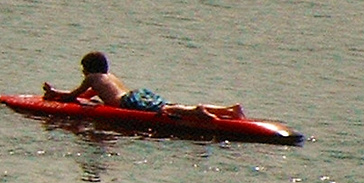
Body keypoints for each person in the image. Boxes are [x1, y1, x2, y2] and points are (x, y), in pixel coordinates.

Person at [42, 51, 243, 121]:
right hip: (137, 94)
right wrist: (57, 93)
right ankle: (228, 110)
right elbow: (85, 97)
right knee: (166, 105)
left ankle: (197, 110)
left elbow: (73, 96)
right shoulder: (108, 77)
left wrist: (54, 96)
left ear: (88, 69)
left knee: (164, 110)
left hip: (128, 103)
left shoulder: (92, 78)